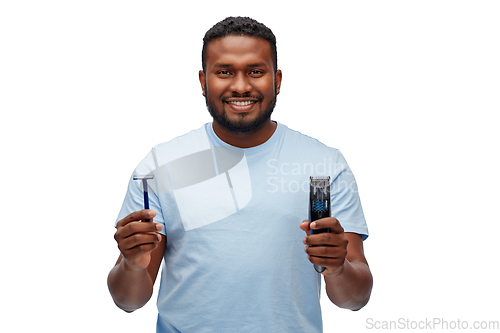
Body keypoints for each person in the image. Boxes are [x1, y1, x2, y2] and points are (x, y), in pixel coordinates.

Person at [108, 16, 373, 333]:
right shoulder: (162, 165)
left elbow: (354, 299)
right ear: (203, 81)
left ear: (277, 80)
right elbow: (129, 301)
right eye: (224, 72)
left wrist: (338, 267)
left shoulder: (324, 164)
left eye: (255, 72)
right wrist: (131, 264)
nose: (241, 86)